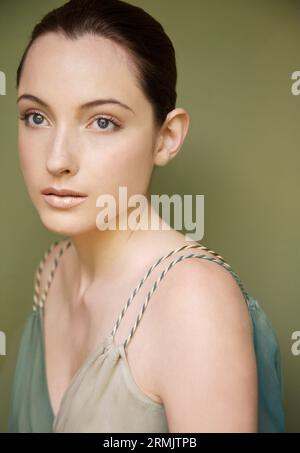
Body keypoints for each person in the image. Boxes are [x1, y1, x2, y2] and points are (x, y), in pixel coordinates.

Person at [8, 0, 284, 433]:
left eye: (102, 122)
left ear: (166, 138)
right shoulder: (54, 271)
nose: (57, 159)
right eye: (36, 116)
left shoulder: (193, 303)